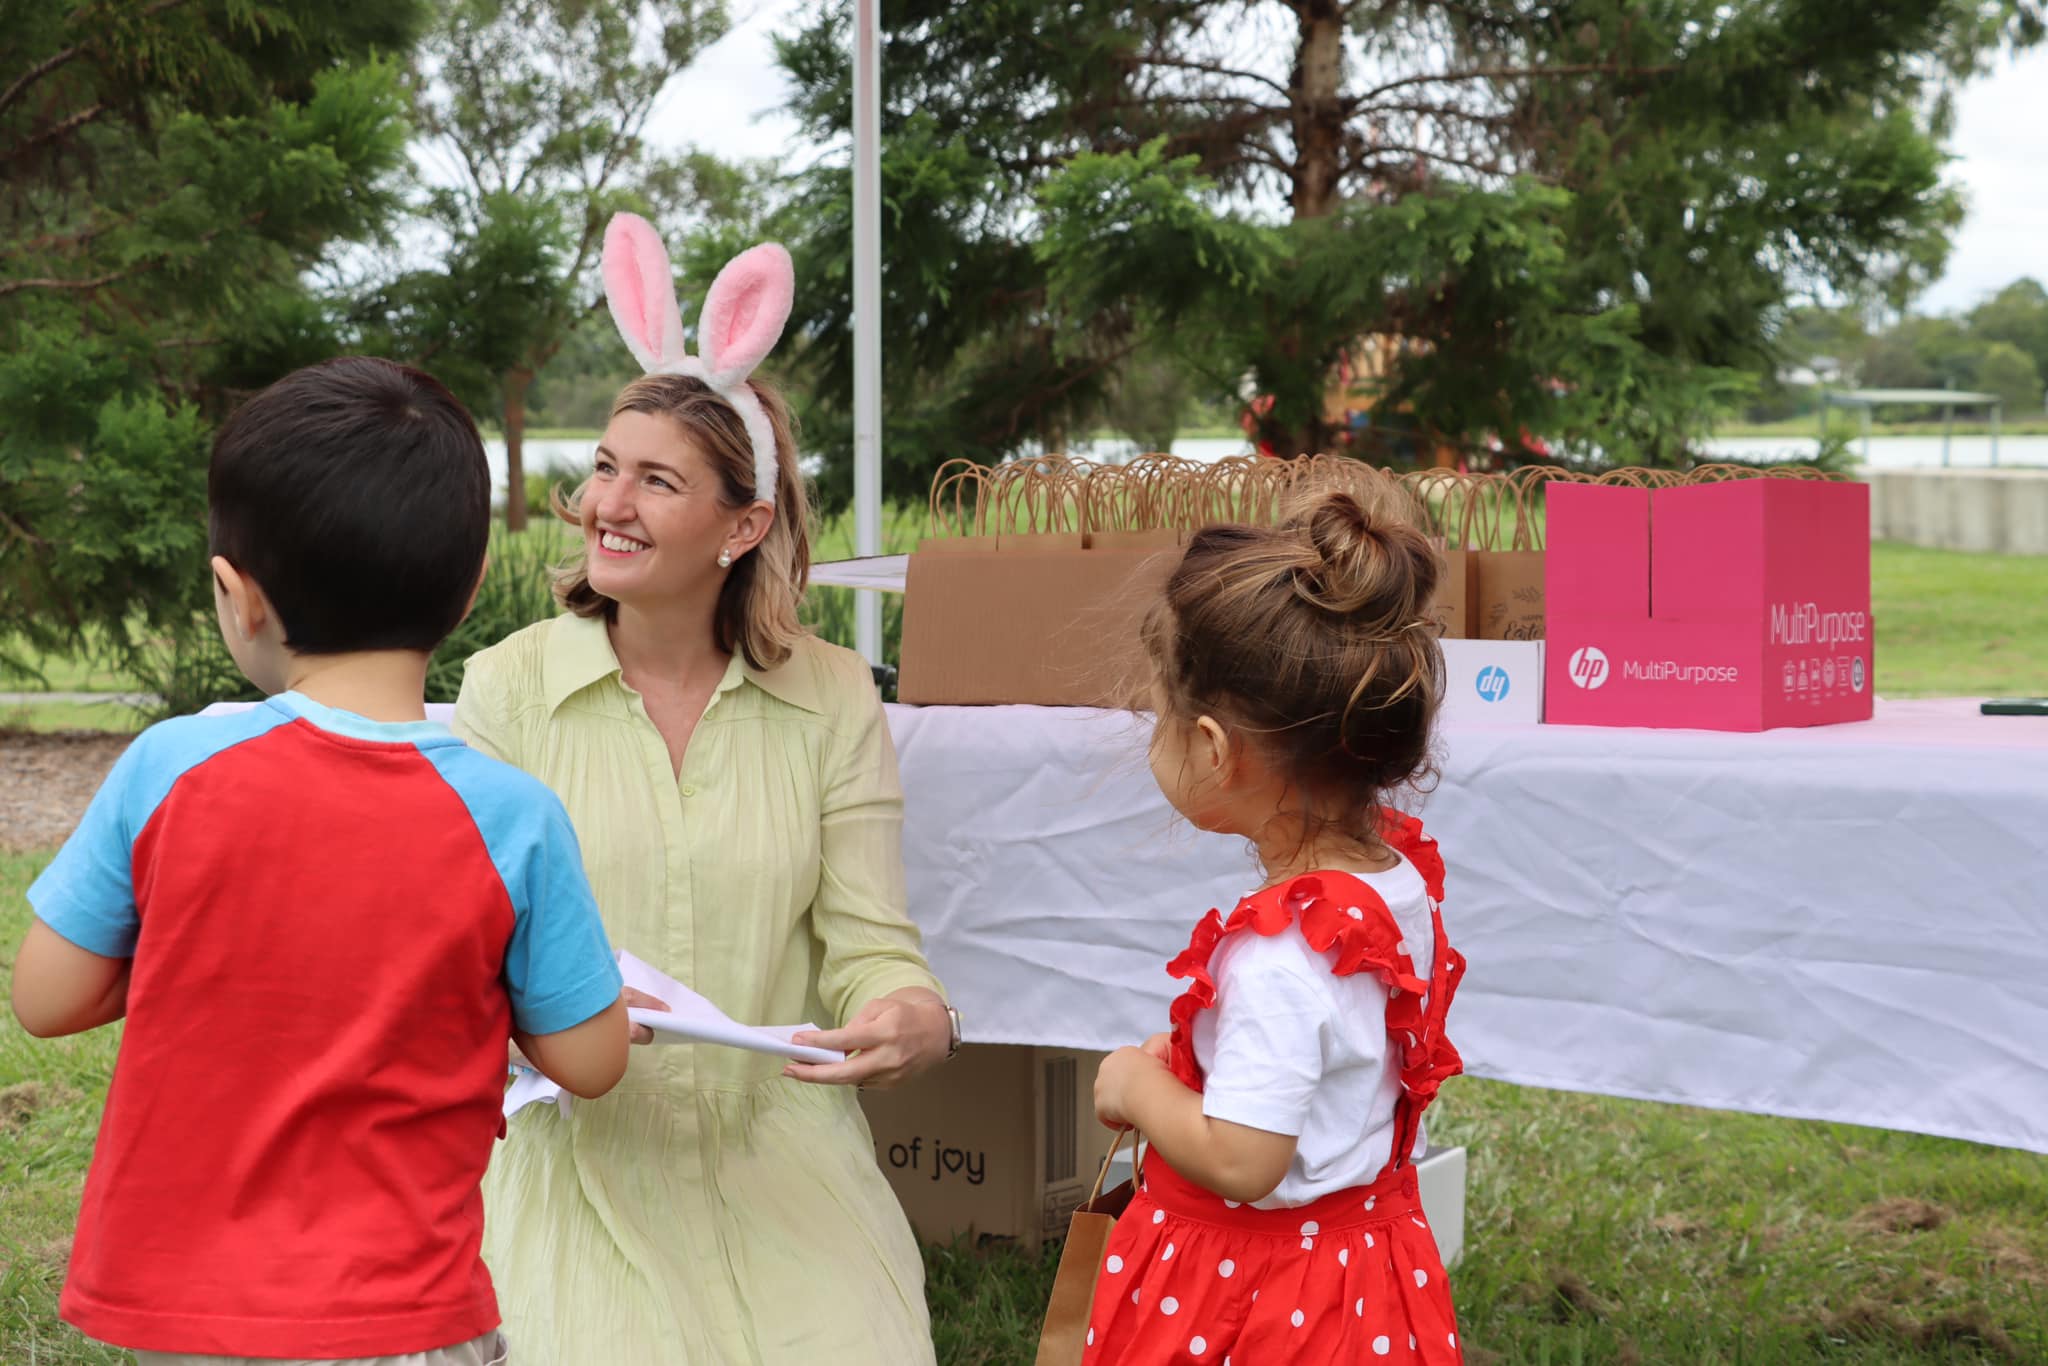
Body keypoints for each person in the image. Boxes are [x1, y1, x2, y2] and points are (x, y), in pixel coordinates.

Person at [9, 357, 631, 1366]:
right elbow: (592, 1061)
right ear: (471, 585)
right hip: (403, 1313)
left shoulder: (171, 766)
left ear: (236, 594)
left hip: (188, 1313)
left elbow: (46, 996)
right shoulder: (514, 819)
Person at [451, 214, 956, 1364]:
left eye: (656, 480)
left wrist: (913, 1016)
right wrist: (538, 1019)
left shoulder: (832, 694)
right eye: (604, 467)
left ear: (745, 524)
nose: (606, 504)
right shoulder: (508, 689)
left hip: (779, 1147)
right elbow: (458, 960)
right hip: (576, 1147)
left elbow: (873, 946)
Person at [1082, 482, 1468, 1364]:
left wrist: (1136, 1089)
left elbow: (1244, 1159)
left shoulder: (1278, 955)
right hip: (1359, 1274)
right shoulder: (1393, 887)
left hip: (1261, 1297)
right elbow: (1334, 1063)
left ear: (1214, 749)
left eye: (1160, 719)